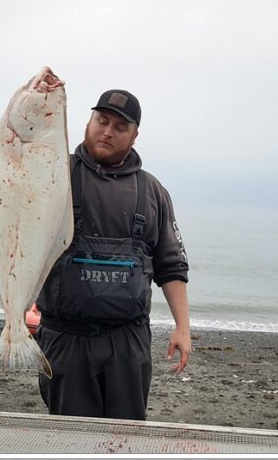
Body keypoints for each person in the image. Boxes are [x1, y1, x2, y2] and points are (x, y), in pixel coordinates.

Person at [35, 86, 191, 420]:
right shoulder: (52, 175)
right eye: (101, 120)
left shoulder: (152, 192)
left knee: (126, 439)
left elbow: (171, 265)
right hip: (65, 339)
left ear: (135, 135)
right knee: (69, 442)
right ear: (88, 122)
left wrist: (182, 327)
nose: (107, 131)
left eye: (120, 127)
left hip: (127, 342)